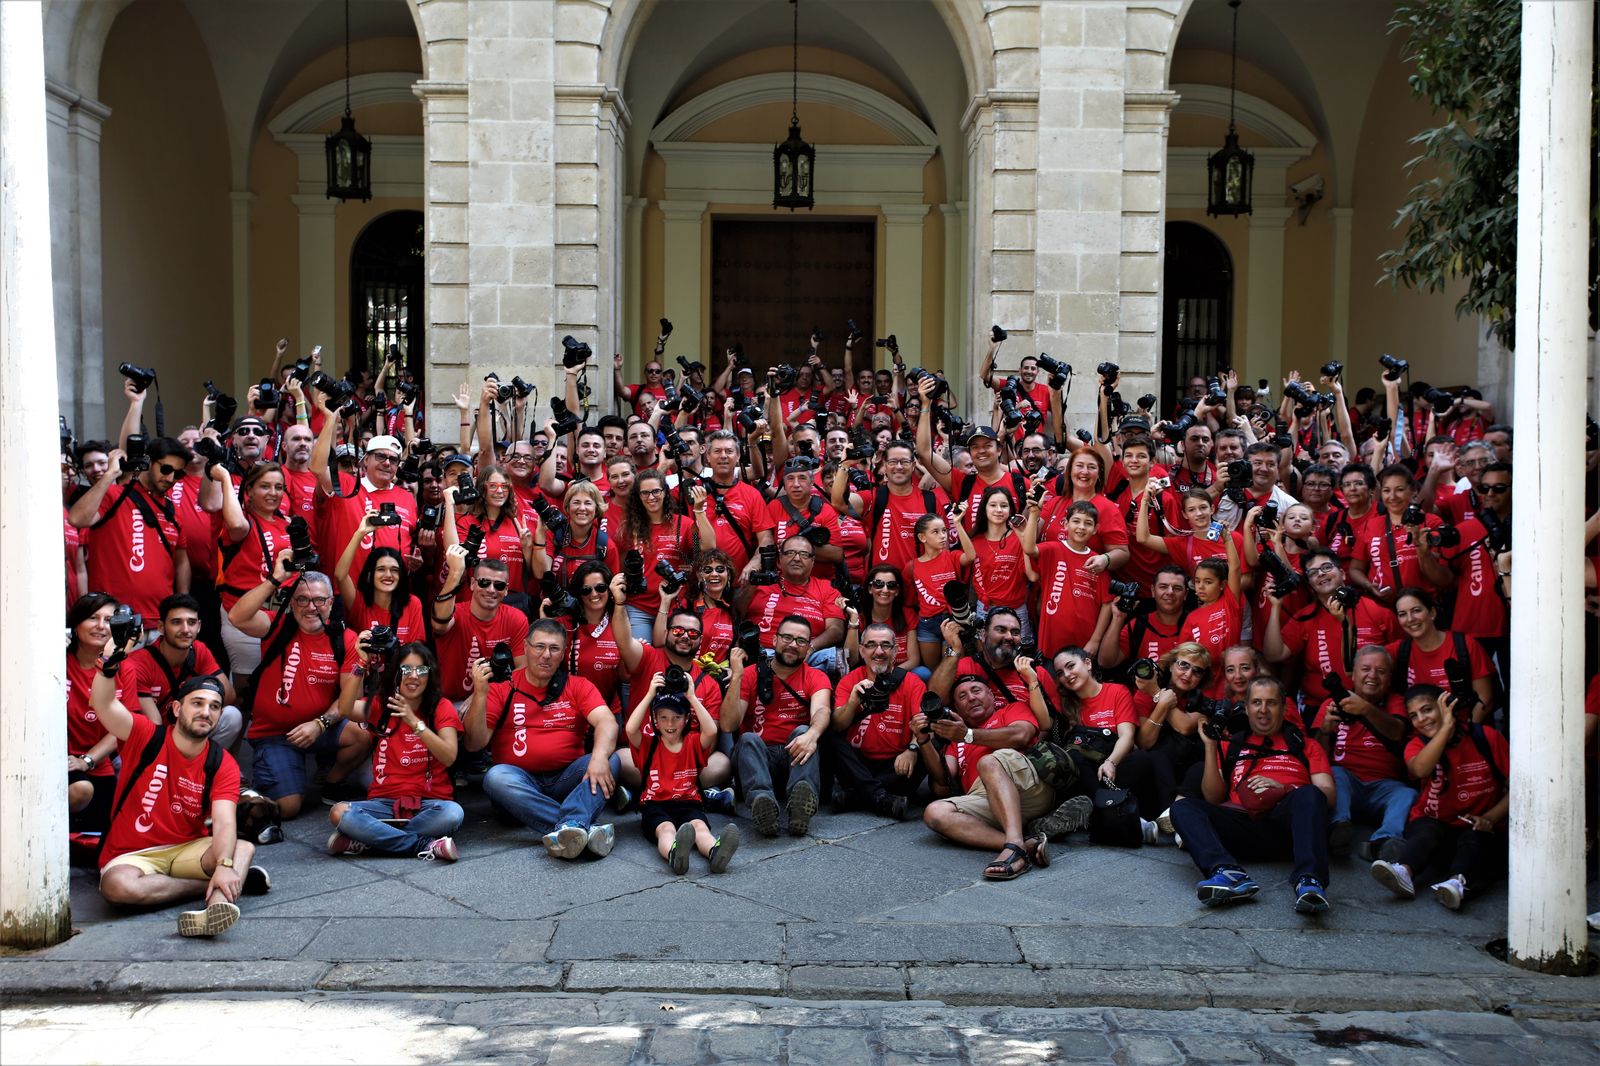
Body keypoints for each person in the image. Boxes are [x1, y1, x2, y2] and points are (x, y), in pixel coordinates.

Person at [90, 667, 267, 938]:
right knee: (116, 887)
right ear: (176, 708)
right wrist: (109, 667)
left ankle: (215, 910)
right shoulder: (145, 735)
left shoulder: (222, 764)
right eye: (197, 703)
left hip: (186, 848)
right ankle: (207, 886)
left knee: (240, 848)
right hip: (133, 854)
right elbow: (103, 704)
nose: (206, 712)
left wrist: (223, 865)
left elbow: (224, 821)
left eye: (215, 707)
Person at [1167, 677, 1335, 914]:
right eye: (1256, 702)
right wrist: (1210, 745)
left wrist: (1283, 789)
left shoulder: (1304, 745)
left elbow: (1327, 794)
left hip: (1289, 827)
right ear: (1246, 708)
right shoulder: (1231, 744)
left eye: (1271, 703)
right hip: (1244, 825)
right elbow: (1213, 798)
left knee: (1310, 793)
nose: (1263, 710)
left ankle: (1309, 880)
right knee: (1182, 808)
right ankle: (1228, 873)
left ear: (1284, 707)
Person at [464, 619, 620, 859]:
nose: (546, 655)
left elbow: (607, 722)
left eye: (554, 648)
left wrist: (599, 757)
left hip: (567, 779)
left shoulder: (578, 685)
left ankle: (570, 827)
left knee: (612, 759)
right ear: (525, 648)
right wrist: (480, 694)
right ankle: (578, 824)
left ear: (563, 654)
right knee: (496, 777)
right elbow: (474, 743)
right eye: (539, 647)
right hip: (520, 787)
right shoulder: (502, 686)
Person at [226, 553, 367, 818]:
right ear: (292, 602)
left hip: (321, 727)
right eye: (302, 599)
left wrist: (320, 724)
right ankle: (243, 791)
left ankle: (331, 782)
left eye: (319, 600)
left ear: (331, 602)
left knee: (361, 732)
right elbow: (237, 617)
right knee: (288, 808)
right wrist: (275, 579)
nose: (311, 607)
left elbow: (351, 699)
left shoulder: (345, 639)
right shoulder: (278, 625)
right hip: (275, 733)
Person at [1370, 687, 1508, 911]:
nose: (1421, 720)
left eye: (1427, 710)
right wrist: (1446, 728)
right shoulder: (1417, 744)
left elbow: (1519, 788)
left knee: (1473, 839)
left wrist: (1490, 818)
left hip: (1476, 828)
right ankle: (1404, 871)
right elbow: (1421, 769)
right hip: (1435, 826)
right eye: (1414, 715)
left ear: (1445, 708)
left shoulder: (1485, 737)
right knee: (1427, 830)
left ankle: (1456, 885)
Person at [327, 643, 463, 862]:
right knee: (338, 812)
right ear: (395, 673)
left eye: (421, 670)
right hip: (384, 803)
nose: (413, 676)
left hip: (429, 804)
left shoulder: (441, 706)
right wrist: (361, 663)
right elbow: (344, 709)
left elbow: (449, 755)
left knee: (453, 814)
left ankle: (370, 839)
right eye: (406, 670)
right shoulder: (382, 705)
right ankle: (422, 844)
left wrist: (413, 721)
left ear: (430, 675)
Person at [918, 671, 1052, 880]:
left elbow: (1022, 734)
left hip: (1027, 784)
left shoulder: (1011, 709)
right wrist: (923, 741)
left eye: (976, 691)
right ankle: (1022, 843)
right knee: (935, 812)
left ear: (991, 695)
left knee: (988, 762)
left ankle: (1015, 850)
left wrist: (969, 735)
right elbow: (942, 783)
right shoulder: (955, 741)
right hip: (988, 800)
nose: (971, 698)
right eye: (962, 696)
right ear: (956, 709)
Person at [68, 439, 192, 632]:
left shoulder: (174, 511)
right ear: (148, 462)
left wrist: (182, 606)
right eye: (166, 469)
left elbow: (182, 561)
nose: (170, 478)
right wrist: (110, 474)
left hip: (160, 621)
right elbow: (76, 518)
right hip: (112, 622)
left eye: (179, 473)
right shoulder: (115, 494)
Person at [726, 615, 832, 837]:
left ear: (808, 648)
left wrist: (813, 733)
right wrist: (737, 676)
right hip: (757, 760)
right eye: (787, 637)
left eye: (801, 641)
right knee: (748, 739)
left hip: (793, 756)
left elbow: (822, 710)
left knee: (805, 732)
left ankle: (801, 806)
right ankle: (761, 804)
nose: (793, 645)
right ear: (774, 640)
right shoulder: (750, 673)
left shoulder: (816, 676)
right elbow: (729, 724)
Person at [624, 675, 740, 875]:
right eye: (663, 717)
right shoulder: (648, 744)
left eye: (677, 717)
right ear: (655, 721)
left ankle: (716, 852)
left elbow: (711, 731)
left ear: (687, 719)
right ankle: (675, 853)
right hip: (655, 804)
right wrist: (650, 694)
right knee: (666, 830)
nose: (670, 723)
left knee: (700, 828)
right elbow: (630, 728)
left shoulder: (693, 742)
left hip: (688, 802)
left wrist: (692, 697)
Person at [1263, 548, 1400, 706]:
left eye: (1326, 567)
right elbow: (1274, 654)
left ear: (1342, 574)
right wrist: (1275, 607)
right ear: (1310, 585)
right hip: (1323, 707)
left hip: (1374, 703)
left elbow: (1400, 655)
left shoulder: (1376, 610)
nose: (1320, 574)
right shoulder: (1305, 617)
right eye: (1313, 572)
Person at [1314, 645, 1413, 860]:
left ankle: (1384, 841)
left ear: (1389, 677)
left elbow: (1397, 732)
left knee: (1407, 794)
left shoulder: (1396, 701)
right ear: (1354, 674)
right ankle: (1337, 828)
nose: (1372, 676)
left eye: (1381, 671)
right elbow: (1316, 758)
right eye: (1366, 669)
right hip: (1346, 781)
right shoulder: (1332, 703)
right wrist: (1324, 730)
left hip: (1384, 785)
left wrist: (1366, 709)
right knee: (1335, 774)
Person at [827, 621, 926, 819]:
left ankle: (856, 796)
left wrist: (912, 750)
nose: (878, 651)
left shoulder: (912, 682)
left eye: (885, 645)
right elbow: (838, 725)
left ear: (896, 651)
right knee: (828, 734)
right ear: (862, 651)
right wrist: (853, 702)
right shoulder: (850, 680)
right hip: (858, 763)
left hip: (896, 764)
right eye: (871, 645)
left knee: (930, 744)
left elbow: (923, 725)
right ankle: (881, 798)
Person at [127, 594, 244, 751]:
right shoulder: (139, 663)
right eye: (176, 622)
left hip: (185, 727)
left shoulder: (198, 650)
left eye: (191, 622)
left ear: (199, 626)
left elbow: (228, 697)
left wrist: (197, 695)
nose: (185, 629)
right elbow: (154, 724)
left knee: (232, 716)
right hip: (147, 738)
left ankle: (202, 768)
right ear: (161, 627)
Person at [66, 594, 140, 834]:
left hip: (98, 764)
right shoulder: (55, 661)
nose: (100, 626)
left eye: (109, 619)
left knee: (106, 837)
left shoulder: (124, 668)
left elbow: (122, 727)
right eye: (92, 618)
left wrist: (87, 760)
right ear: (76, 625)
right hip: (57, 764)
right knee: (80, 791)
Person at [214, 461, 290, 676]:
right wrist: (225, 478)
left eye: (279, 487)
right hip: (242, 613)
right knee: (246, 687)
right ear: (249, 490)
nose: (273, 493)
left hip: (279, 614)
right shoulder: (243, 522)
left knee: (276, 680)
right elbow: (236, 525)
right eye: (265, 486)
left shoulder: (286, 522)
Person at [432, 549, 530, 704]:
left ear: (506, 590)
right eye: (484, 582)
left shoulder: (516, 618)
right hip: (449, 702)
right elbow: (439, 625)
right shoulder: (455, 613)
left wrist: (482, 695)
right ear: (472, 584)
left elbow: (522, 670)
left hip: (494, 699)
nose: (491, 590)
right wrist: (455, 573)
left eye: (499, 585)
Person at [1387, 588, 1498, 723]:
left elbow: (1486, 697)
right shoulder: (1400, 650)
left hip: (1464, 730)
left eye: (1416, 610)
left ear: (1432, 613)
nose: (1410, 619)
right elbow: (1364, 662)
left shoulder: (1464, 645)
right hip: (1422, 734)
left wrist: (1467, 731)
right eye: (1402, 614)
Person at [617, 470, 705, 640]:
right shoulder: (628, 529)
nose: (651, 497)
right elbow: (622, 568)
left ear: (665, 492)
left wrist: (699, 511)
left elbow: (707, 547)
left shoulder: (684, 523)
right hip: (639, 606)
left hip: (675, 604)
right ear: (638, 496)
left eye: (656, 491)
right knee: (642, 656)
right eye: (645, 493)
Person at [740, 534, 847, 672]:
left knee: (835, 657)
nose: (796, 558)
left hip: (807, 658)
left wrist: (811, 647)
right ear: (780, 558)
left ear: (813, 561)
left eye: (803, 554)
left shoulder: (827, 589)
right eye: (790, 553)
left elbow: (836, 630)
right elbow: (738, 613)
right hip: (762, 655)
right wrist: (750, 584)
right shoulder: (762, 583)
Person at [1021, 498, 1112, 659]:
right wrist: (1034, 515)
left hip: (1084, 643)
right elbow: (1029, 548)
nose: (1081, 527)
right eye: (1076, 521)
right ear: (1065, 524)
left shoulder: (1097, 561)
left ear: (1095, 529)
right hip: (1050, 642)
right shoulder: (1053, 549)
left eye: (1088, 523)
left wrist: (1095, 641)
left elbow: (1107, 603)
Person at [694, 429, 776, 576]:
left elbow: (766, 538)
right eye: (717, 451)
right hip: (702, 580)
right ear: (707, 456)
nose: (723, 456)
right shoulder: (694, 490)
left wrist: (756, 561)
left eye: (729, 451)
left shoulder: (752, 494)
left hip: (740, 581)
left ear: (738, 456)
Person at [334, 521, 426, 646]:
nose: (388, 575)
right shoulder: (359, 603)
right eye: (381, 569)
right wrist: (360, 533)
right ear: (370, 574)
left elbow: (416, 650)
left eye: (394, 570)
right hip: (362, 665)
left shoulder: (412, 604)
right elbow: (340, 576)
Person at [967, 485, 1035, 641]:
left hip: (1016, 610)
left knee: (1021, 655)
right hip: (985, 609)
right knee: (986, 655)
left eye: (1004, 506)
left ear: (1010, 510)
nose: (998, 510)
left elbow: (1031, 576)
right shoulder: (974, 541)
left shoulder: (1019, 537)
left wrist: (1024, 540)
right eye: (993, 505)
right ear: (984, 509)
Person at [908, 510, 973, 667]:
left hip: (952, 621)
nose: (943, 535)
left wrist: (957, 523)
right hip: (927, 626)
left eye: (944, 530)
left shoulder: (952, 556)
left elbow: (970, 556)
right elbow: (910, 599)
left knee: (952, 664)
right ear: (922, 537)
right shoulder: (912, 566)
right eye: (936, 532)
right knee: (933, 669)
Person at [846, 563, 920, 672]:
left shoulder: (907, 614)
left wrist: (891, 674)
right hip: (871, 674)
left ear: (897, 591)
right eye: (878, 584)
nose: (885, 590)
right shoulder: (861, 618)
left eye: (891, 585)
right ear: (870, 589)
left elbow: (914, 660)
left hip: (900, 672)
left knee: (922, 672)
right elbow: (850, 660)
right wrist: (853, 621)